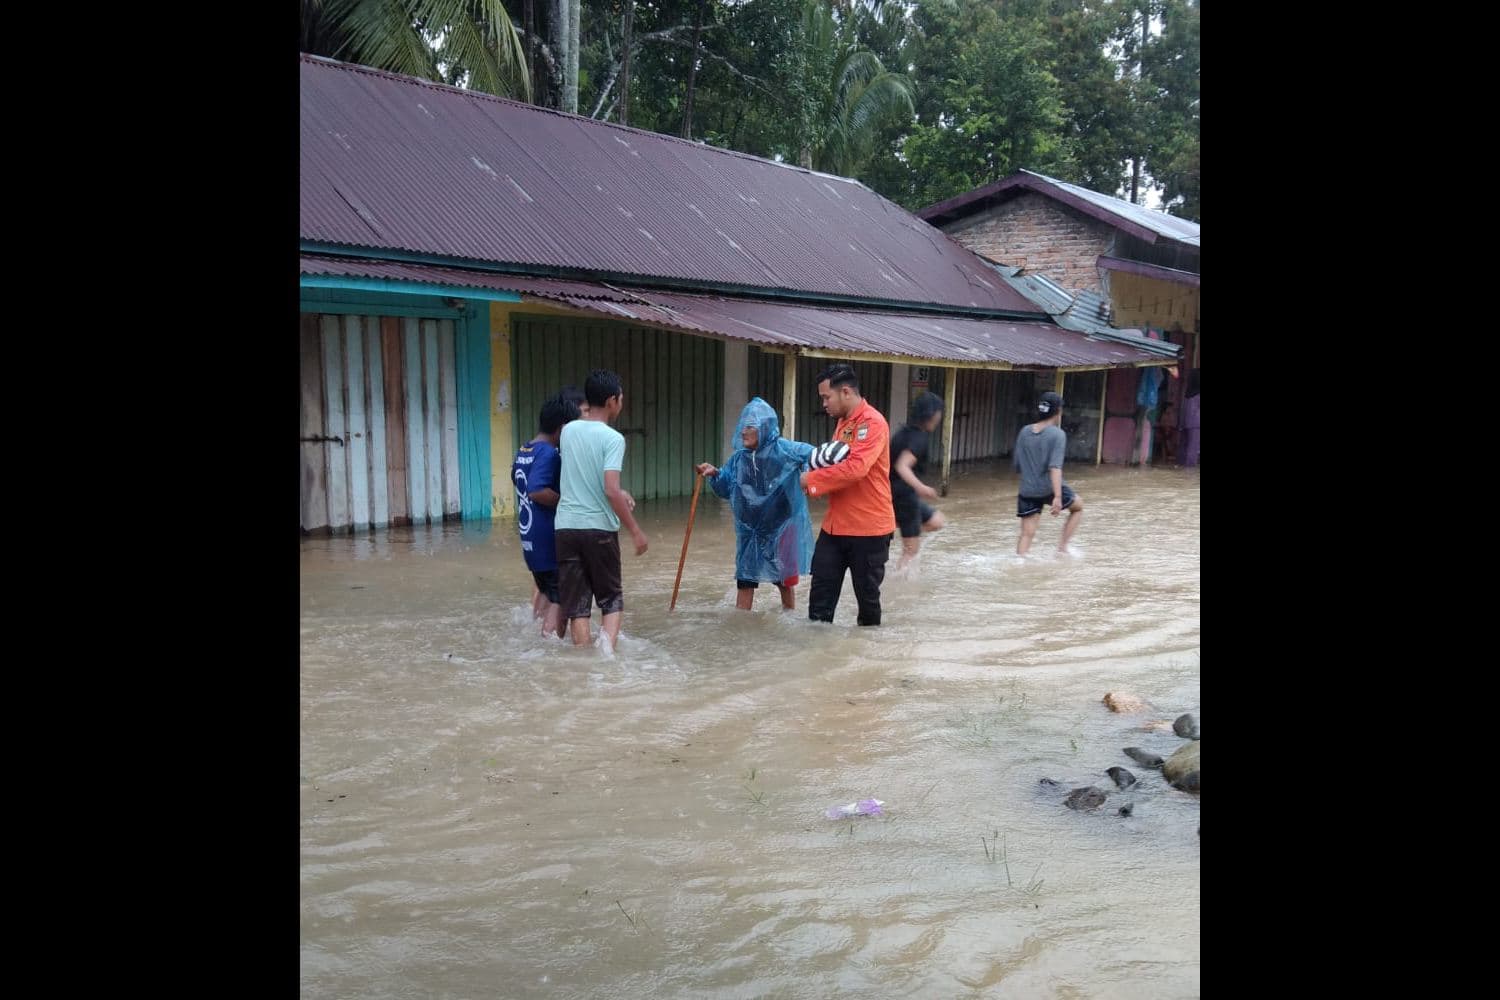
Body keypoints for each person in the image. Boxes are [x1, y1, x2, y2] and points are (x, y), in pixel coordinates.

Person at [554, 370, 649, 650]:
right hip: (599, 529)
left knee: (578, 606)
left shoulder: (568, 430)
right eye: (621, 398)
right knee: (611, 600)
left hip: (565, 528)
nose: (622, 402)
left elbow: (582, 475)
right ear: (611, 401)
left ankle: (584, 663)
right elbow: (610, 488)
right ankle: (606, 660)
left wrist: (619, 493)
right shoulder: (613, 439)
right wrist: (635, 530)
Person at [695, 398, 816, 611]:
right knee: (745, 579)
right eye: (743, 426)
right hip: (750, 531)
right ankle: (742, 626)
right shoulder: (739, 458)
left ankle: (788, 618)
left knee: (784, 581)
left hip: (781, 526)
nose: (743, 431)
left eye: (750, 426)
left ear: (765, 427)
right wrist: (715, 474)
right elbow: (726, 488)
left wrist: (806, 475)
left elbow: (813, 455)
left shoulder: (784, 450)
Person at [800, 363, 896, 625]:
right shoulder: (843, 423)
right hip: (835, 526)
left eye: (826, 397)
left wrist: (811, 480)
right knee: (819, 599)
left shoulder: (873, 423)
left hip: (869, 528)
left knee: (867, 602)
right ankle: (819, 649)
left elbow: (856, 469)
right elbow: (835, 464)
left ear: (845, 392)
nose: (824, 404)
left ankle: (867, 650)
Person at [512, 394, 580, 637]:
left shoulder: (525, 449)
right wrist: (567, 502)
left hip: (530, 541)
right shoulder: (549, 453)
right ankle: (548, 644)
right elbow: (536, 490)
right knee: (561, 596)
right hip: (547, 542)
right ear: (562, 428)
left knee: (548, 592)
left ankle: (535, 631)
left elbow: (518, 480)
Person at [1014, 390, 1084, 556]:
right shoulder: (1058, 434)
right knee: (1078, 507)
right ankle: (1062, 549)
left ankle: (1020, 562)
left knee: (1026, 534)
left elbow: (1017, 465)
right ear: (1058, 411)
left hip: (1027, 490)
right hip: (1049, 488)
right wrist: (1057, 497)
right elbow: (1055, 467)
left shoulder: (1024, 431)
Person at [890, 390, 948, 575]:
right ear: (932, 414)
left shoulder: (903, 432)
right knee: (911, 552)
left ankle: (907, 532)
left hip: (896, 494)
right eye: (939, 413)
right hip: (904, 497)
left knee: (937, 521)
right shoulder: (919, 438)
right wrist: (921, 487)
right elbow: (902, 466)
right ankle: (898, 583)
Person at [1180, 369, 1200, 467]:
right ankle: (1189, 469)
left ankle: (1181, 465)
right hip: (1196, 423)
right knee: (1193, 446)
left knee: (1185, 444)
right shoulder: (1198, 394)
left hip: (1186, 422)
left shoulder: (1187, 393)